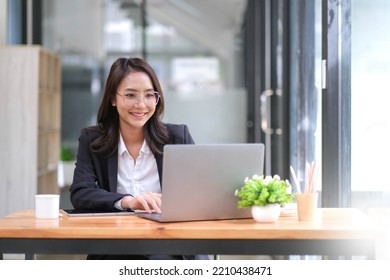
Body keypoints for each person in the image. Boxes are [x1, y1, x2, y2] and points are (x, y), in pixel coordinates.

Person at [69, 57, 208, 260]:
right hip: (116, 245)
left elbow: (201, 192)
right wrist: (127, 201)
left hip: (171, 245)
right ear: (113, 99)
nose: (141, 104)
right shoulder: (93, 140)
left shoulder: (178, 137)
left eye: (149, 95)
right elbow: (81, 193)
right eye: (130, 95)